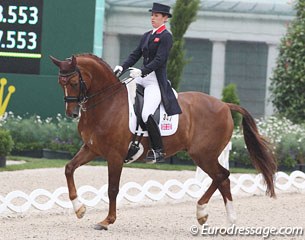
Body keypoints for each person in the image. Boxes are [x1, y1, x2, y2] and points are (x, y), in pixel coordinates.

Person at [114, 2, 182, 163]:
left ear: (165, 18)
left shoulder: (166, 36)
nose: (153, 18)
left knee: (146, 113)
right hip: (141, 77)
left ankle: (158, 150)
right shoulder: (147, 35)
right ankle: (130, 140)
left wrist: (142, 71)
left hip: (155, 81)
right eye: (152, 15)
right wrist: (122, 66)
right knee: (123, 99)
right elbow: (135, 54)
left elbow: (160, 60)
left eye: (157, 15)